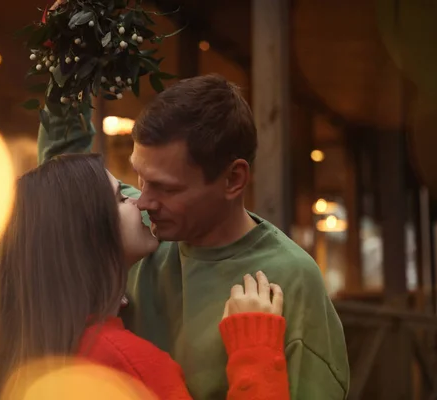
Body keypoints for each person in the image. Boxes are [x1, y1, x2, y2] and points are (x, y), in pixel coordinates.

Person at [38, 75, 350, 399]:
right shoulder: (136, 226)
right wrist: (69, 60)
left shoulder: (291, 279)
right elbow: (64, 184)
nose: (142, 201)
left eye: (167, 187)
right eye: (140, 178)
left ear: (233, 179)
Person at [0, 154, 290, 400]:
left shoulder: (28, 357)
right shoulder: (126, 364)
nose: (139, 201)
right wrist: (255, 352)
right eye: (120, 198)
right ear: (88, 231)